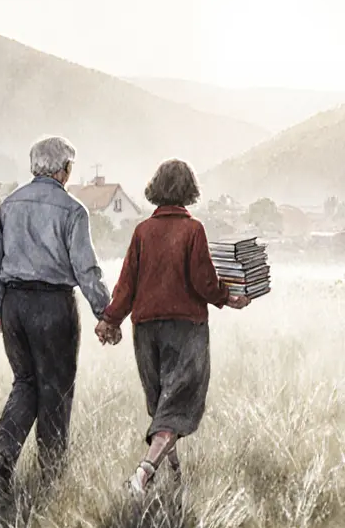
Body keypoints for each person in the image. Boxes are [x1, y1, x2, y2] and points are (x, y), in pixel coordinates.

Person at [95, 159, 250, 496]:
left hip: (146, 330)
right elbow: (204, 281)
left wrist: (110, 319)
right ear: (188, 190)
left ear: (156, 189)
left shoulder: (142, 232)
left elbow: (126, 286)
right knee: (176, 407)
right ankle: (142, 476)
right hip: (185, 328)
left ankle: (174, 478)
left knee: (162, 404)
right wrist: (228, 298)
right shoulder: (193, 231)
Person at [0, 135, 112, 491]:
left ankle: (1, 453)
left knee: (25, 382)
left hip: (14, 306)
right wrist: (105, 313)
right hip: (54, 307)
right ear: (65, 170)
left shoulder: (9, 205)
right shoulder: (73, 211)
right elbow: (86, 270)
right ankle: (51, 478)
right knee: (55, 389)